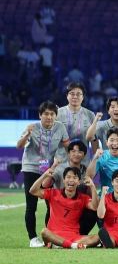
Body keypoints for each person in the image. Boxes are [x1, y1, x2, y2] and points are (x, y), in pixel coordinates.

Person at [17, 101, 70, 247]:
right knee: (31, 205)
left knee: (51, 204)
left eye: (52, 114)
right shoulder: (33, 127)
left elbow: (67, 147)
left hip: (48, 170)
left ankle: (50, 238)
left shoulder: (60, 127)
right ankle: (33, 239)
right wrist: (28, 133)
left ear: (55, 116)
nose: (49, 117)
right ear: (40, 115)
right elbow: (19, 146)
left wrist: (72, 165)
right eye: (46, 114)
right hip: (31, 168)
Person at [29, 167, 99, 249]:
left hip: (73, 236)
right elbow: (33, 191)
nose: (71, 180)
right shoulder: (53, 193)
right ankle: (71, 245)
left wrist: (92, 187)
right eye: (68, 177)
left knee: (97, 237)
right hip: (53, 235)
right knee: (44, 232)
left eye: (75, 177)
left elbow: (94, 207)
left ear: (79, 182)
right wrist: (44, 175)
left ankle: (60, 244)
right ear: (63, 180)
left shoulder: (83, 198)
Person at [42, 141, 97, 235]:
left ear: (84, 155)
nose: (76, 154)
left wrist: (90, 187)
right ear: (68, 153)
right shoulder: (59, 168)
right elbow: (45, 185)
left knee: (93, 213)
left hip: (77, 206)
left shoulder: (86, 171)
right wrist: (53, 167)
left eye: (80, 152)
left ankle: (78, 236)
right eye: (73, 151)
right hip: (59, 206)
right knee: (50, 208)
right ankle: (52, 236)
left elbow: (89, 196)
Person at [56, 83, 97, 165]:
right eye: (72, 94)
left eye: (78, 94)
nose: (75, 97)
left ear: (83, 97)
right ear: (67, 96)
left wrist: (95, 161)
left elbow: (94, 140)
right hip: (62, 162)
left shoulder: (90, 115)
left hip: (83, 162)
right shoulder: (57, 113)